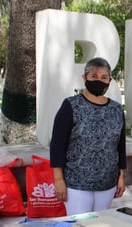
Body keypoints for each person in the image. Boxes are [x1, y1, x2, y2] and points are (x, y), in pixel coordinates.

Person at [50, 57, 126, 216]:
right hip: (76, 183)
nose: (99, 80)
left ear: (110, 81)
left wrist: (121, 176)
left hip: (107, 183)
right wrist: (59, 180)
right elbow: (57, 145)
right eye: (94, 76)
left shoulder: (116, 109)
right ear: (84, 78)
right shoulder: (71, 105)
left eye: (104, 77)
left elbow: (120, 145)